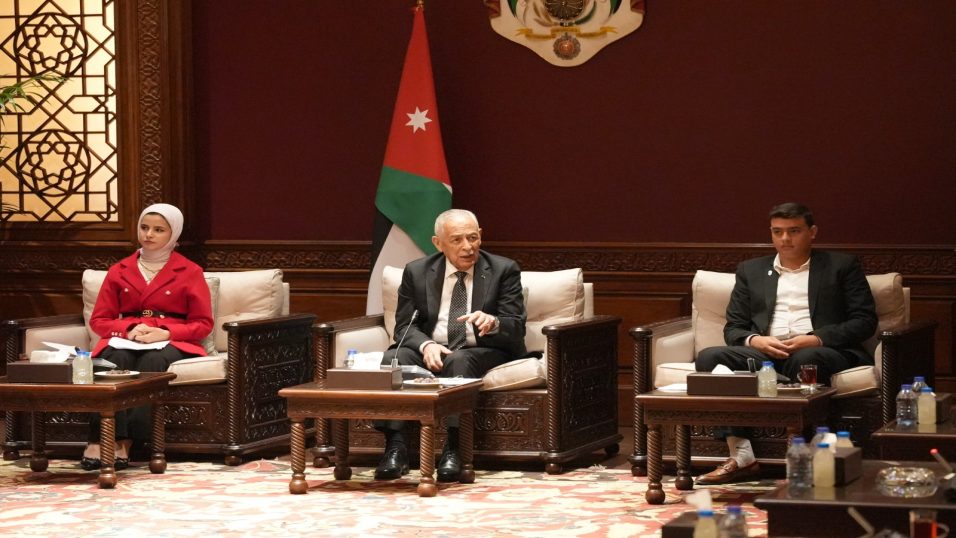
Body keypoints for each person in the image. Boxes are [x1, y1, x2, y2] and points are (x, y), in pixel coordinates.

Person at [694, 202, 877, 484]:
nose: (785, 239)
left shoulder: (841, 266)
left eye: (794, 231)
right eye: (777, 232)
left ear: (812, 232)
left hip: (822, 349)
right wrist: (756, 340)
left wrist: (816, 338)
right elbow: (734, 327)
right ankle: (741, 455)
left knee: (806, 360)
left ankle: (799, 449)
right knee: (709, 357)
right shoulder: (751, 270)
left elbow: (864, 321)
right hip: (766, 352)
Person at [374, 209, 527, 482]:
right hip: (434, 347)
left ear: (481, 236)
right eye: (457, 240)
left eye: (473, 237)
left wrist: (493, 322)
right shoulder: (417, 272)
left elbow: (516, 326)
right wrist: (426, 345)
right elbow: (403, 327)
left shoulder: (503, 270)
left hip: (484, 349)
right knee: (394, 357)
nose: (468, 247)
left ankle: (454, 448)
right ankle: (395, 448)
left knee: (459, 359)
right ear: (438, 243)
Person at [82, 203, 213, 471]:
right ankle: (101, 438)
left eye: (158, 230)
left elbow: (203, 324)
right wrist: (128, 329)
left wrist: (165, 333)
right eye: (144, 227)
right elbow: (99, 320)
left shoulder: (190, 271)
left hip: (172, 340)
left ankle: (128, 441)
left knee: (152, 360)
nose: (149, 234)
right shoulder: (119, 270)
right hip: (126, 337)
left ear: (174, 234)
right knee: (112, 358)